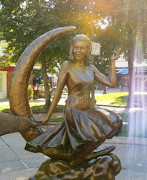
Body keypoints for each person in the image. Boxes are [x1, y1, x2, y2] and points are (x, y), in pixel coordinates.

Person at [25, 34, 122, 166]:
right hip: (74, 110)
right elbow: (58, 92)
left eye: (82, 48)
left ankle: (84, 155)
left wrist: (112, 63)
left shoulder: (91, 68)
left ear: (88, 50)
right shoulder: (67, 66)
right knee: (94, 132)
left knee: (113, 123)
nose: (78, 51)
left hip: (88, 108)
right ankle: (80, 158)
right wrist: (48, 116)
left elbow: (112, 84)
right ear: (72, 48)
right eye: (76, 47)